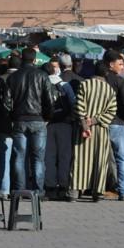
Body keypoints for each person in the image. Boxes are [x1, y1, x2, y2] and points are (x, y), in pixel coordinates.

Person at [5, 48, 55, 194]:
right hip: (38, 120)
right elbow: (49, 100)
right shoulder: (42, 75)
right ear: (34, 59)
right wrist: (47, 117)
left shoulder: (13, 77)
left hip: (19, 120)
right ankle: (38, 192)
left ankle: (19, 190)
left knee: (19, 157)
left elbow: (6, 103)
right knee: (38, 158)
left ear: (21, 58)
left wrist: (13, 118)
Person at [68, 62, 117, 202]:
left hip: (83, 130)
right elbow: (112, 111)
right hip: (101, 129)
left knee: (80, 159)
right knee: (100, 160)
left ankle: (74, 192)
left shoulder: (84, 84)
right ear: (106, 73)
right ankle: (97, 192)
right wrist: (95, 120)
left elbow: (79, 105)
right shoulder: (109, 89)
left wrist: (85, 124)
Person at [0, 55, 20, 196]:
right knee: (20, 157)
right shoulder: (22, 79)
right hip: (20, 124)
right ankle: (19, 188)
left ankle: (4, 189)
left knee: (4, 158)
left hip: (3, 124)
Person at [102, 50, 124, 200]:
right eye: (120, 64)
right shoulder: (120, 81)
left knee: (102, 158)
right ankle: (123, 190)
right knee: (121, 159)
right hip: (118, 123)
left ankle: (101, 188)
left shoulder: (99, 80)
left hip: (101, 123)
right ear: (110, 64)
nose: (122, 67)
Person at [43, 61, 75, 199]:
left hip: (47, 124)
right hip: (65, 124)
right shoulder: (65, 84)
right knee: (64, 156)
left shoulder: (42, 84)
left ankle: (50, 187)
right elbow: (73, 103)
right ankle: (63, 186)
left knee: (48, 156)